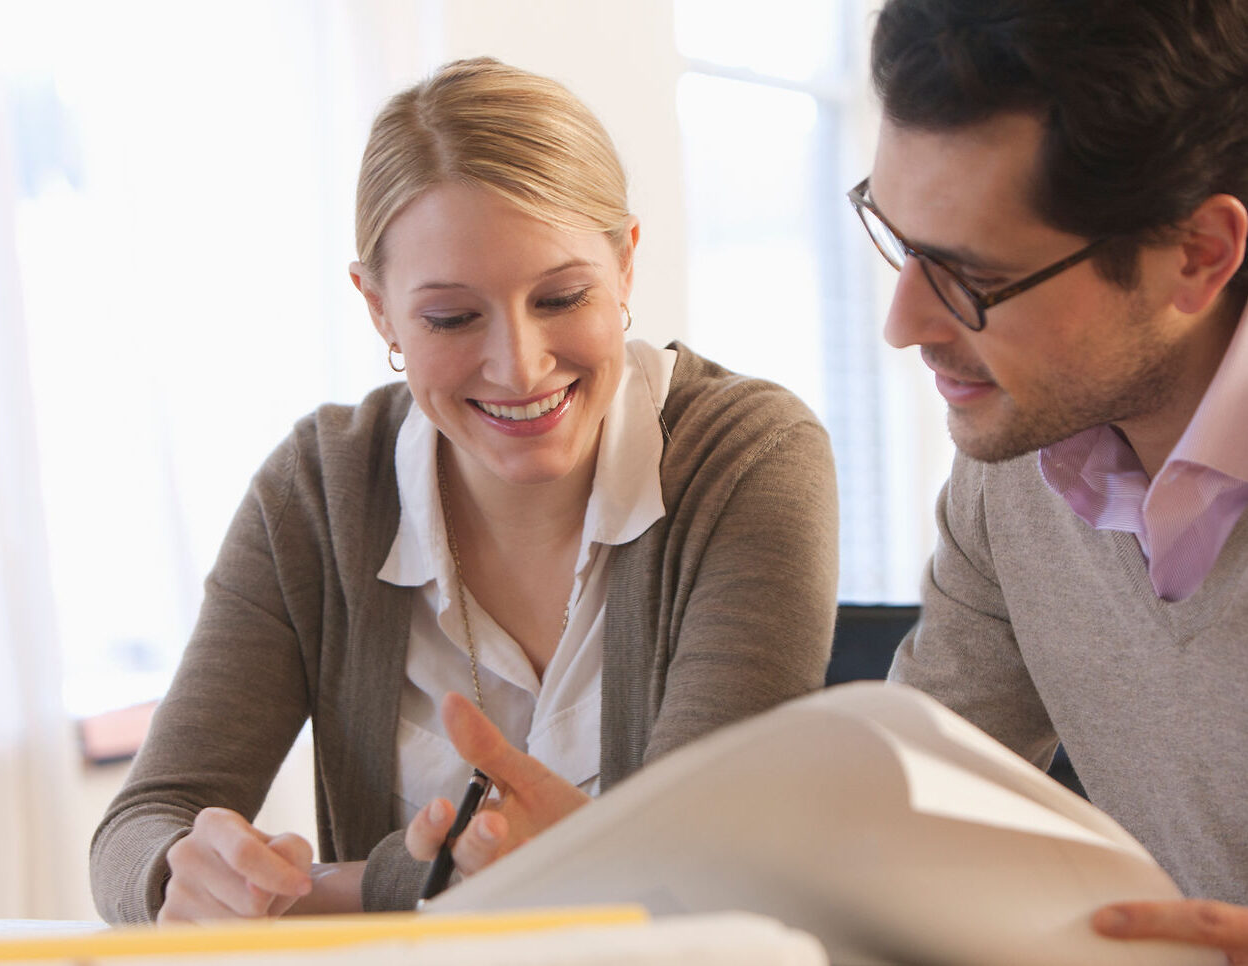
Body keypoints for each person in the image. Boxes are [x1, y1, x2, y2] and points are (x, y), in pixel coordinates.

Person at [89, 56, 839, 922]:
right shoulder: (320, 490)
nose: (518, 365)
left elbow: (701, 861)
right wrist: (180, 876)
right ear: (379, 310)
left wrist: (347, 890)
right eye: (451, 317)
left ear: (626, 266)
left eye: (561, 297)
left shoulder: (747, 456)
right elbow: (140, 825)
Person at [848, 0, 1248, 960]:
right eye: (901, 242)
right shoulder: (1017, 465)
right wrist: (629, 872)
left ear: (1196, 257)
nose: (903, 322)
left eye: (970, 278)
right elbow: (906, 817)